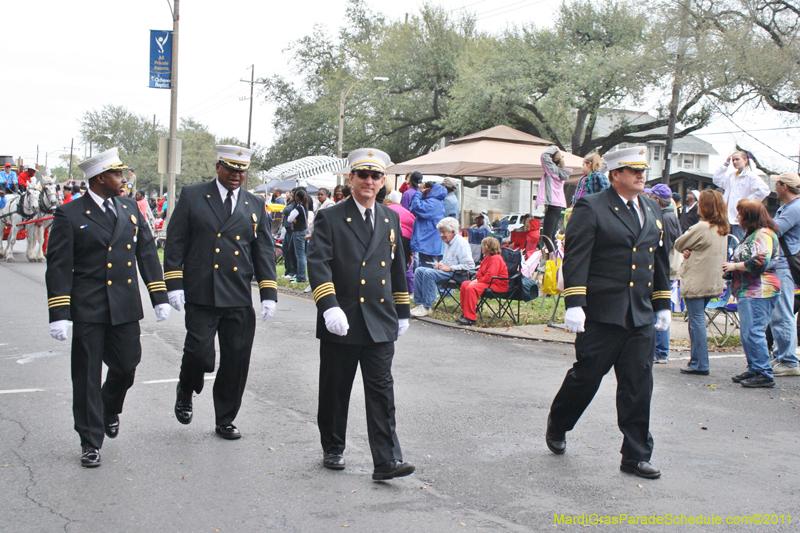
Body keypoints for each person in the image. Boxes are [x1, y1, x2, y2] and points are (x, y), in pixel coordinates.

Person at [546, 146, 671, 480]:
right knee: (586, 377)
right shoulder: (592, 206)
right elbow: (577, 256)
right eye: (634, 170)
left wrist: (662, 303)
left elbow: (658, 258)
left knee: (638, 385)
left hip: (639, 314)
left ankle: (635, 455)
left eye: (643, 170)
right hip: (602, 313)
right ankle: (559, 423)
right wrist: (575, 302)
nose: (641, 176)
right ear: (615, 174)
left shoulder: (651, 207)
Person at [45, 147, 170, 467]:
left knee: (127, 366)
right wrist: (59, 312)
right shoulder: (70, 214)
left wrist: (158, 296)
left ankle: (109, 407)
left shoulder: (129, 208)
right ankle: (90, 440)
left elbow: (146, 253)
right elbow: (59, 266)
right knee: (86, 375)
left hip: (125, 304)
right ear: (100, 178)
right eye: (117, 174)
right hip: (89, 306)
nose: (124, 179)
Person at [307, 148, 414, 480]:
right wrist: (329, 306)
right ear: (351, 178)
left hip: (379, 319)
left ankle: (386, 460)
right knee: (335, 389)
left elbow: (396, 267)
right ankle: (333, 447)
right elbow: (318, 264)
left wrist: (402, 310)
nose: (369, 181)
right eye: (363, 175)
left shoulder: (389, 218)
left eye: (375, 176)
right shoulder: (330, 217)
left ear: (383, 182)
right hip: (343, 318)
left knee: (381, 391)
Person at [164, 145, 278, 440]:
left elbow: (263, 250)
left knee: (236, 360)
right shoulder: (193, 195)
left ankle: (225, 418)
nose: (236, 175)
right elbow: (175, 241)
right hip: (202, 290)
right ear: (218, 167)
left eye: (241, 170)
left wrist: (268, 291)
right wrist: (174, 283)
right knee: (199, 353)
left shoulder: (254, 204)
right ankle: (185, 388)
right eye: (230, 169)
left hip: (237, 292)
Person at [723, 199, 780, 388]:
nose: (738, 216)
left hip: (759, 290)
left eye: (740, 213)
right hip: (749, 289)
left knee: (754, 331)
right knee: (748, 332)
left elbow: (761, 261)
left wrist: (735, 266)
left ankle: (763, 373)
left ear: (749, 216)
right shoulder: (753, 233)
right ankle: (754, 368)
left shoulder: (763, 234)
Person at [674, 190, 729, 375]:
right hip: (712, 279)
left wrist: (687, 249)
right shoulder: (722, 228)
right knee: (698, 319)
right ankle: (697, 360)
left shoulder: (701, 227)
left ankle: (700, 362)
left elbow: (679, 243)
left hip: (697, 279)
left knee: (696, 321)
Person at [767, 172, 800, 377]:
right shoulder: (789, 207)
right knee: (779, 312)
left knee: (782, 312)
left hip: (784, 265)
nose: (775, 187)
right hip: (782, 264)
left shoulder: (794, 208)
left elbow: (774, 231)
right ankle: (782, 356)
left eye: (777, 184)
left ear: (784, 186)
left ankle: (788, 360)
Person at [410, 217, 475, 317]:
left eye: (443, 232)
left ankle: (427, 306)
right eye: (440, 232)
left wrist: (450, 268)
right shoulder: (448, 243)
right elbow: (446, 260)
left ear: (452, 231)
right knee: (419, 270)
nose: (441, 235)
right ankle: (419, 304)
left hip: (458, 275)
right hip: (448, 272)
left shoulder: (461, 243)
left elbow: (470, 265)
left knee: (429, 273)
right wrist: (439, 264)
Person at [649, 184, 681, 364]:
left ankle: (660, 350)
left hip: (663, 270)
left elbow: (664, 248)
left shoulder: (665, 218)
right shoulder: (670, 215)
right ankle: (660, 350)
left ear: (657, 199)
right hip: (665, 269)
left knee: (659, 309)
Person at [713, 151, 770, 241]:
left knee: (738, 242)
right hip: (726, 217)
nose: (735, 162)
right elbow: (717, 180)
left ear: (745, 160)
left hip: (739, 218)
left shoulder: (751, 176)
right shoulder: (731, 176)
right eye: (733, 160)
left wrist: (748, 202)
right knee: (727, 244)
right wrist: (725, 164)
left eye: (737, 159)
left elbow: (764, 190)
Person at [455, 237, 507, 326]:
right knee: (464, 284)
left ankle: (470, 318)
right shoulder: (487, 258)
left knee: (472, 288)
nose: (481, 247)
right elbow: (480, 272)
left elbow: (490, 276)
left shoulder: (496, 259)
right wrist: (476, 278)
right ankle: (465, 313)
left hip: (497, 284)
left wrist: (478, 281)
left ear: (488, 247)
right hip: (488, 282)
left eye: (483, 245)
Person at [537, 146, 571, 241]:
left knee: (547, 237)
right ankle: (553, 250)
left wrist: (555, 148)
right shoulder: (562, 173)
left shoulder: (551, 171)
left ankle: (552, 251)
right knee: (551, 236)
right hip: (560, 206)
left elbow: (544, 156)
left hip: (553, 205)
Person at [410, 181, 447, 267]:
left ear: (428, 189)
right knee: (428, 266)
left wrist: (419, 192)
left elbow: (415, 207)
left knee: (427, 269)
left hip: (427, 242)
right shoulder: (438, 202)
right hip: (431, 241)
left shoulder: (431, 203)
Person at [286, 188, 309, 283]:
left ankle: (301, 277)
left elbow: (289, 219)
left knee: (300, 255)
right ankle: (301, 275)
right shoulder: (305, 207)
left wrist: (294, 220)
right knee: (302, 255)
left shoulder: (298, 208)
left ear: (297, 197)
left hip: (298, 232)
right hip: (304, 231)